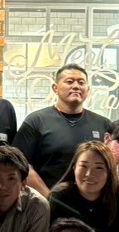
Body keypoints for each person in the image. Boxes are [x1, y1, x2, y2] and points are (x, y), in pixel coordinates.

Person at [14, 64, 111, 197]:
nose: (76, 86)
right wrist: (51, 200)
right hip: (46, 202)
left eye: (81, 82)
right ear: (55, 88)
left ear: (88, 90)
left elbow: (111, 166)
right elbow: (21, 165)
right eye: (69, 82)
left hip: (93, 203)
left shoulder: (103, 124)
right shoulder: (36, 121)